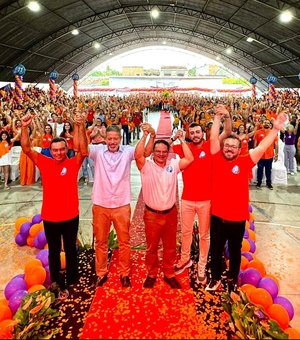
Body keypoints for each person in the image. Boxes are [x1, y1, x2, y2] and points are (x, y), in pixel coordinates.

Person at [206, 104, 286, 292]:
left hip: (237, 218)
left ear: (238, 149)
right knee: (215, 251)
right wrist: (218, 116)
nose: (230, 149)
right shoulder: (216, 157)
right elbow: (212, 138)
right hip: (217, 216)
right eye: (227, 146)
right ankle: (215, 278)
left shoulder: (245, 161)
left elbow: (263, 146)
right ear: (223, 146)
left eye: (234, 147)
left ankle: (232, 280)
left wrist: (275, 130)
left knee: (235, 252)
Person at [21, 112, 88, 299]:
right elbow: (26, 148)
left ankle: (73, 280)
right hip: (50, 217)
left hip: (70, 216)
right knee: (53, 253)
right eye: (55, 150)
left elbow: (83, 150)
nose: (58, 152)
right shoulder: (44, 162)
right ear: (50, 151)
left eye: (61, 149)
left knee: (71, 249)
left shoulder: (73, 163)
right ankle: (57, 283)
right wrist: (24, 127)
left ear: (67, 149)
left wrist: (79, 127)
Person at [89, 125, 153, 288]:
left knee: (125, 242)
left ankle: (124, 273)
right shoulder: (97, 151)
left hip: (121, 205)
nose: (112, 142)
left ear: (120, 139)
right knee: (101, 242)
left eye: (115, 139)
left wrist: (147, 135)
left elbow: (144, 153)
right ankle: (101, 272)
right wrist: (79, 126)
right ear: (105, 139)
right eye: (109, 139)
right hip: (101, 204)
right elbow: (80, 148)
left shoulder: (127, 151)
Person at [171, 120, 231, 285]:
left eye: (198, 132)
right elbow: (163, 148)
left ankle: (202, 266)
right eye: (192, 133)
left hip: (206, 200)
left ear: (202, 133)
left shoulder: (210, 146)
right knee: (185, 232)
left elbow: (226, 133)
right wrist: (175, 138)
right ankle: (185, 259)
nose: (195, 135)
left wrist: (223, 117)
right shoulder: (185, 147)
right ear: (189, 134)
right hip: (187, 199)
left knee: (204, 235)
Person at [135, 124, 194, 289]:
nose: (161, 154)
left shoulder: (173, 165)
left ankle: (169, 273)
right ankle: (152, 273)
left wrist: (182, 140)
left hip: (171, 214)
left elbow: (190, 159)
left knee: (170, 247)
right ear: (153, 152)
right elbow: (138, 154)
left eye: (164, 152)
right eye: (158, 151)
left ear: (168, 153)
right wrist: (145, 135)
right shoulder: (146, 166)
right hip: (152, 215)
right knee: (151, 248)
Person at [254, 119, 278, 189]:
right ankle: (259, 183)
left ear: (270, 125)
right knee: (260, 169)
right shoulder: (258, 132)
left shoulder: (273, 133)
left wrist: (276, 154)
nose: (266, 124)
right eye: (265, 122)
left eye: (268, 123)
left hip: (269, 156)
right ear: (262, 124)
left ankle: (268, 183)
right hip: (260, 156)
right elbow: (255, 144)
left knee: (268, 170)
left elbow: (276, 145)